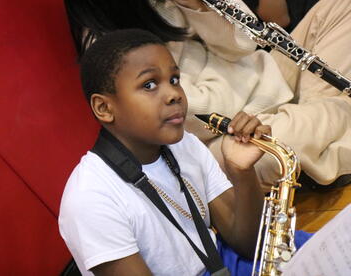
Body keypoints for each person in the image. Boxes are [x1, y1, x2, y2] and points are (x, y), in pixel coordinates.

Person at [58, 28, 311, 276]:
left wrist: (241, 172)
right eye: (149, 85)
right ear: (104, 108)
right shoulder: (89, 198)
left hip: (221, 259)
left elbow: (251, 245)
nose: (173, 95)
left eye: (175, 80)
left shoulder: (184, 143)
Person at [64, 0, 351, 191]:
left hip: (266, 82)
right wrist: (243, 81)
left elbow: (243, 45)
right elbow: (192, 115)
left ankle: (324, 124)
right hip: (224, 136)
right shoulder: (111, 49)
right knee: (263, 155)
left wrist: (197, 5)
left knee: (340, 6)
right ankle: (332, 114)